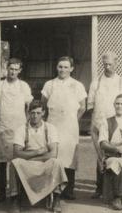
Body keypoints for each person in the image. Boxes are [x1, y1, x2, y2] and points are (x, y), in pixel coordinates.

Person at [40, 56, 87, 200]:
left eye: (66, 67)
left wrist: (73, 120)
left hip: (70, 125)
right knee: (54, 155)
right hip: (53, 124)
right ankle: (51, 189)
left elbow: (83, 107)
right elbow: (43, 105)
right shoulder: (50, 84)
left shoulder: (77, 85)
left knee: (69, 156)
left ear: (72, 68)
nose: (63, 70)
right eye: (60, 66)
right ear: (56, 67)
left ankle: (68, 189)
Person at [9, 100, 67, 213]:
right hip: (28, 164)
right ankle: (14, 199)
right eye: (32, 113)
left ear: (43, 113)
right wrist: (38, 152)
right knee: (14, 163)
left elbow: (53, 153)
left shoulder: (50, 128)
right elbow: (17, 153)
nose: (35, 116)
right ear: (28, 113)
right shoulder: (21, 129)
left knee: (57, 162)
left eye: (38, 113)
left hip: (44, 163)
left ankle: (56, 198)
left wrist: (31, 157)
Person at [88, 52, 122, 199]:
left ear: (116, 63)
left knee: (118, 155)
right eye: (105, 64)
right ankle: (100, 188)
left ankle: (120, 189)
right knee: (100, 156)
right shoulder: (96, 82)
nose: (107, 67)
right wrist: (93, 127)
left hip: (117, 125)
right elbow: (91, 105)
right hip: (99, 124)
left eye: (110, 64)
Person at [0, 58, 33, 202]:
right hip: (3, 128)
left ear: (20, 71)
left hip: (19, 129)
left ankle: (18, 193)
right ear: (6, 68)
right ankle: (2, 192)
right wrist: (1, 120)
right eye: (11, 69)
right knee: (2, 162)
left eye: (16, 69)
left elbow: (28, 107)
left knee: (19, 161)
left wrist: (25, 124)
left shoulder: (24, 86)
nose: (13, 72)